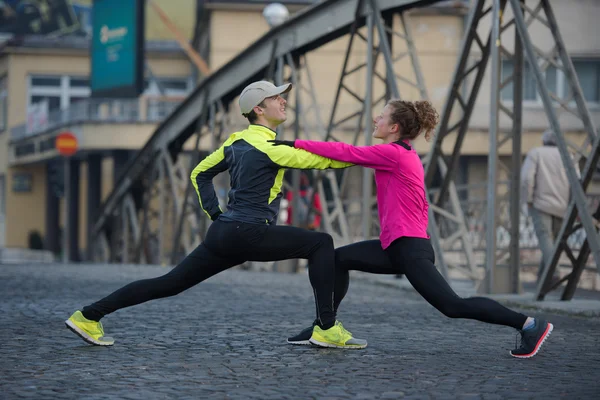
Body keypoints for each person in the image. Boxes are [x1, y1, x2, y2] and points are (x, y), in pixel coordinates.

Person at [65, 80, 367, 349]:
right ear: (259, 110)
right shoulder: (272, 148)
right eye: (277, 98)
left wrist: (216, 214)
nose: (284, 100)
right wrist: (372, 158)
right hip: (250, 232)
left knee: (169, 283)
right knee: (322, 243)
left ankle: (89, 315)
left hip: (224, 231)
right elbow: (323, 161)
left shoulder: (234, 142)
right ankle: (326, 328)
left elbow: (199, 174)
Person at [271, 99, 553, 358]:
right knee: (336, 259)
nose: (375, 120)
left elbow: (348, 152)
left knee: (452, 306)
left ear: (393, 127)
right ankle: (325, 326)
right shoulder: (400, 153)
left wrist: (295, 144)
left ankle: (529, 325)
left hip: (410, 248)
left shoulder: (395, 154)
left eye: (381, 117)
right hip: (396, 246)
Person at [520, 129, 573, 284]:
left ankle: (554, 272)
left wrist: (528, 200)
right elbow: (576, 181)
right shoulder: (567, 155)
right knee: (552, 243)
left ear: (543, 141)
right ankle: (542, 280)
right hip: (562, 205)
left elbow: (526, 179)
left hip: (540, 204)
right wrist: (572, 205)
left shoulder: (536, 153)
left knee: (545, 239)